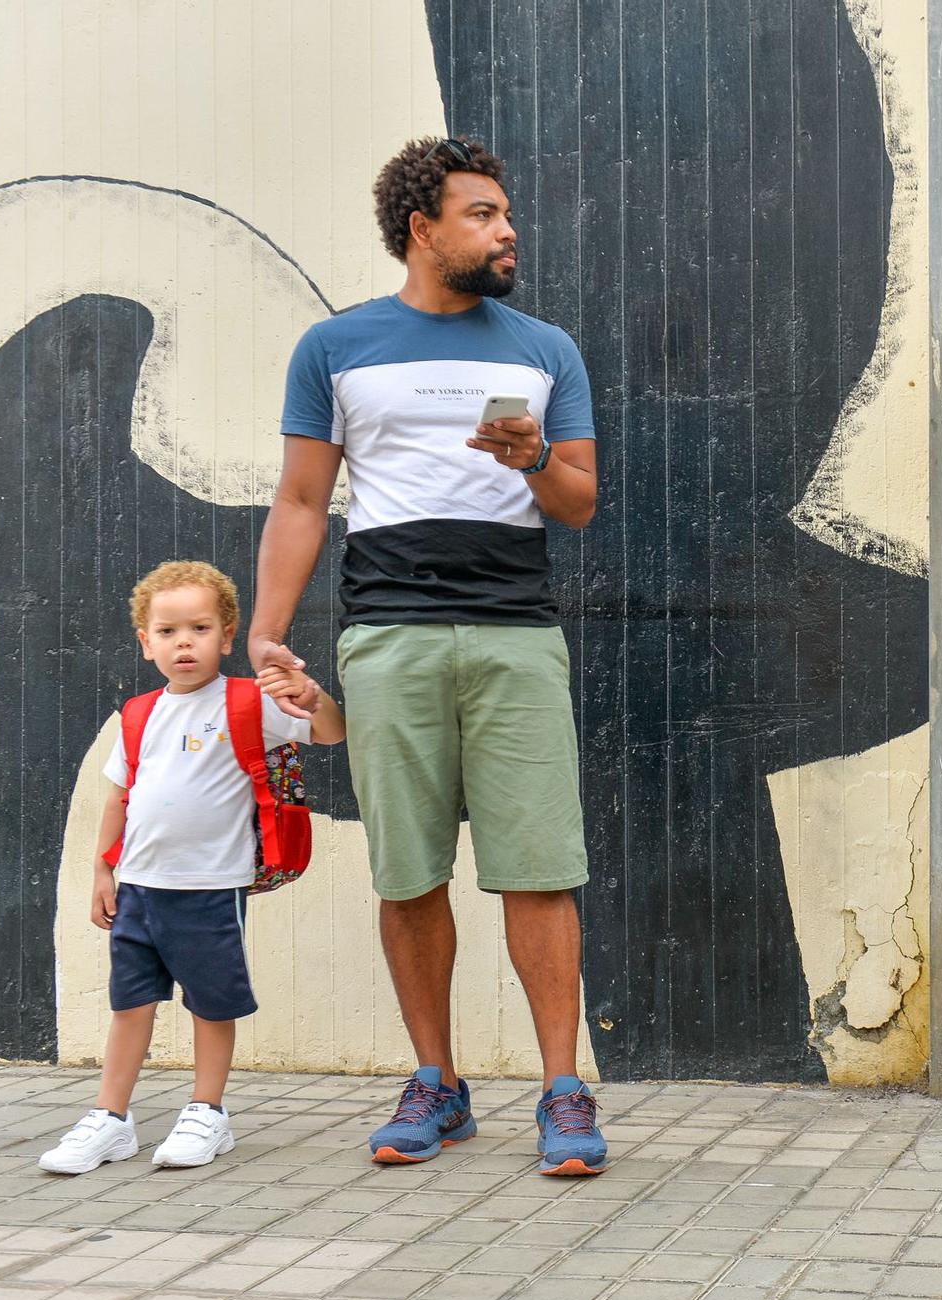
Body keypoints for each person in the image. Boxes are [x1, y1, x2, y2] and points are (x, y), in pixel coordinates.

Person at [253, 136, 609, 1176]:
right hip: (388, 636)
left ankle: (562, 1089)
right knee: (406, 871)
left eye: (506, 215)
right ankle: (436, 1085)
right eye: (484, 214)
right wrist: (266, 630)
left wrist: (536, 457)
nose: (507, 232)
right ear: (422, 227)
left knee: (540, 870)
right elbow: (303, 499)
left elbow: (580, 503)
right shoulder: (335, 347)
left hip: (517, 634)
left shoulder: (546, 349)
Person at [40, 562, 345, 1175]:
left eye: (200, 628)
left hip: (209, 888)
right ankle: (111, 1120)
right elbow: (120, 798)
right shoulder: (138, 714)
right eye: (169, 630)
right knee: (130, 1004)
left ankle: (207, 1113)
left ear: (227, 636)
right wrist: (104, 873)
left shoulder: (245, 702)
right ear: (146, 642)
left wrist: (313, 697)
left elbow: (331, 734)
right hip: (139, 889)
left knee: (212, 1004)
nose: (185, 642)